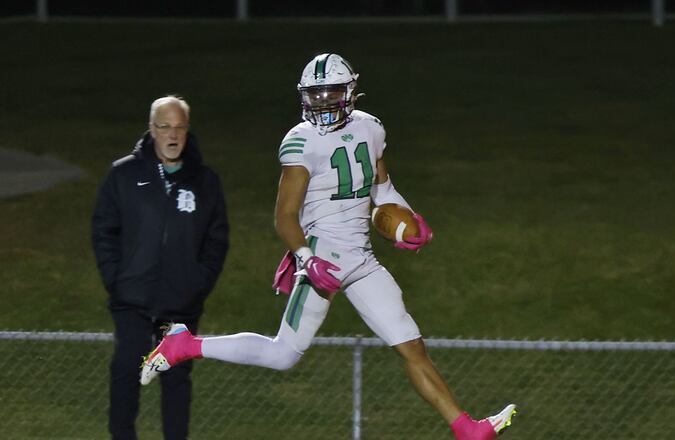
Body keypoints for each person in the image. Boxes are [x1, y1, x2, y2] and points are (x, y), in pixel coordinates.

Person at [139, 55, 516, 439]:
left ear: (349, 91)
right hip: (324, 256)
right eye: (314, 94)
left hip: (362, 258)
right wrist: (305, 259)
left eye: (329, 92)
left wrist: (410, 220)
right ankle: (184, 344)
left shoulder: (371, 127)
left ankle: (466, 428)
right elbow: (284, 216)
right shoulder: (300, 141)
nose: (321, 101)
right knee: (284, 354)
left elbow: (382, 191)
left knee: (411, 345)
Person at [91, 95, 229, 440]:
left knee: (176, 380)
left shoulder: (205, 181)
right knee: (125, 371)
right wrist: (116, 279)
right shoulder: (123, 174)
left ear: (187, 131)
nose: (172, 135)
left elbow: (217, 241)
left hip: (181, 302)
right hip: (132, 298)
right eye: (165, 126)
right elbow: (104, 230)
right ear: (152, 129)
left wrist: (196, 283)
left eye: (179, 127)